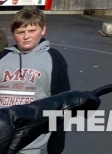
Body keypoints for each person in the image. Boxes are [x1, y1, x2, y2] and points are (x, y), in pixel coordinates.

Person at [0, 8, 70, 154]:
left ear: (43, 30)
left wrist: (56, 146)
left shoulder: (54, 59)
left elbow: (62, 103)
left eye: (32, 30)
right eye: (20, 32)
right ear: (13, 33)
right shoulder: (3, 58)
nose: (26, 36)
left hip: (30, 145)